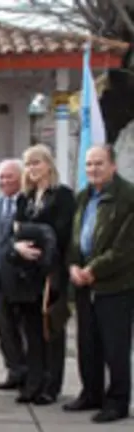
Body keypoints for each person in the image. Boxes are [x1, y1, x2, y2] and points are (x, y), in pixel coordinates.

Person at [64, 145, 134, 423]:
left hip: (115, 285)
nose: (93, 169)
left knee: (115, 346)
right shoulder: (83, 197)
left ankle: (117, 401)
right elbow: (73, 238)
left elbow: (126, 247)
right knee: (87, 342)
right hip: (83, 283)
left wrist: (93, 269)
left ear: (113, 166)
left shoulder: (128, 197)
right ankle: (91, 393)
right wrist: (72, 265)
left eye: (99, 164)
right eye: (89, 164)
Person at [6, 144, 75, 405]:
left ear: (48, 164)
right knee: (31, 332)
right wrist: (17, 244)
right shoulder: (25, 198)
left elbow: (59, 233)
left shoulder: (63, 196)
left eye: (37, 163)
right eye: (29, 164)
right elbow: (15, 233)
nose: (33, 168)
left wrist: (28, 230)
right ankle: (33, 384)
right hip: (26, 274)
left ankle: (51, 386)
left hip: (51, 272)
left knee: (51, 331)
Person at [0, 159, 27, 390]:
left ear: (21, 178)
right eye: (1, 177)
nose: (4, 181)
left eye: (9, 176)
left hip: (21, 277)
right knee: (4, 329)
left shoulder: (28, 203)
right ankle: (14, 370)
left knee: (24, 329)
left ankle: (30, 372)